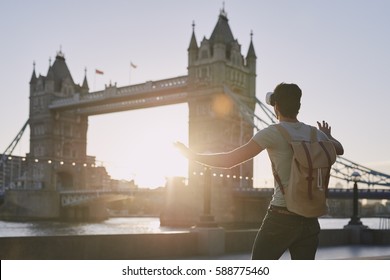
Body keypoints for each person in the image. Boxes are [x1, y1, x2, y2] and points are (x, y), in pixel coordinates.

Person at [175, 82, 344, 260]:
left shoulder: (272, 133)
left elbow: (230, 160)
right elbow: (339, 149)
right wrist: (328, 136)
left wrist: (193, 156)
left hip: (281, 217)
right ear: (299, 106)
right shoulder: (314, 133)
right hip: (310, 219)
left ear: (275, 106)